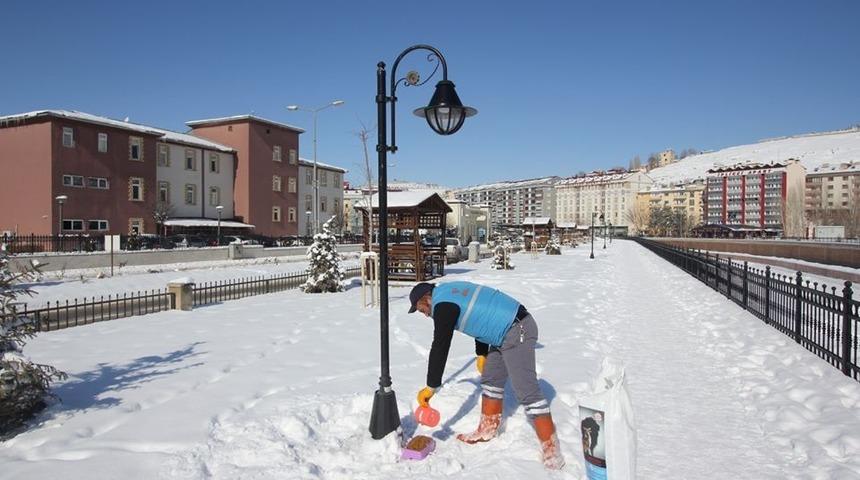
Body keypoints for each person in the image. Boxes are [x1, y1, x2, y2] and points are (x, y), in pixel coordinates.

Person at [408, 281, 564, 470]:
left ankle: (552, 449)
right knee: (491, 379)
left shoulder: (442, 305)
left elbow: (440, 345)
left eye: (421, 309)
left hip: (517, 328)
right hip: (503, 332)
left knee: (526, 391)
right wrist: (481, 353)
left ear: (426, 298)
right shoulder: (449, 292)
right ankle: (487, 429)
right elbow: (478, 315)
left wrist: (431, 386)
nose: (424, 314)